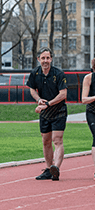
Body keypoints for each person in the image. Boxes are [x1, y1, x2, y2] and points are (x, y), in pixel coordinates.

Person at [27, 48, 67, 181]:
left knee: (57, 139)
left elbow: (63, 94)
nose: (45, 61)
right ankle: (49, 169)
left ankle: (56, 167)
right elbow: (32, 90)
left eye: (48, 58)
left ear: (51, 59)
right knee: (46, 141)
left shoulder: (58, 74)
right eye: (43, 58)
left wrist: (48, 103)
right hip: (44, 112)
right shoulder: (34, 73)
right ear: (38, 59)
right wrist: (38, 100)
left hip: (58, 111)